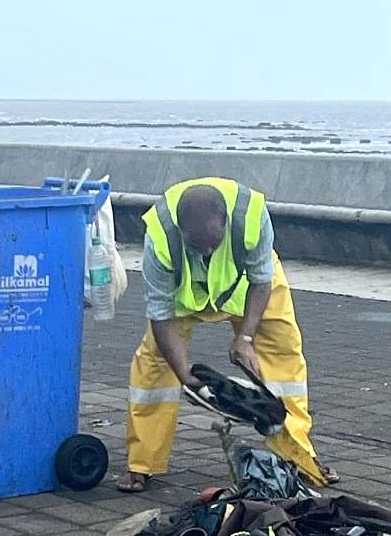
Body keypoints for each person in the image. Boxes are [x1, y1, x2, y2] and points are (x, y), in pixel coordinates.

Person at [115, 176, 338, 492]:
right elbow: (160, 315)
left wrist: (245, 338)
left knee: (284, 356)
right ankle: (141, 465)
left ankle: (300, 460)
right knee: (153, 366)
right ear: (180, 230)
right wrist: (186, 376)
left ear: (226, 222)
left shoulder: (252, 216)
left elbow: (262, 281)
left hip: (249, 290)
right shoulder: (160, 239)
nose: (206, 251)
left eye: (213, 242)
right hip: (184, 297)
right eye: (197, 245)